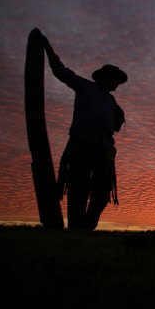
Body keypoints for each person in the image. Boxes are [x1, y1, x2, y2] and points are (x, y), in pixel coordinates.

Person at [36, 29, 127, 230]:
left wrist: (117, 119)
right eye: (115, 80)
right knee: (78, 188)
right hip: (81, 145)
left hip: (104, 150)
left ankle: (86, 226)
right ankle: (77, 228)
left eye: (119, 82)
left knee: (102, 193)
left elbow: (113, 127)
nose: (117, 84)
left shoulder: (111, 101)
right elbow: (61, 71)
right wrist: (48, 49)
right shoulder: (86, 87)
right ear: (105, 77)